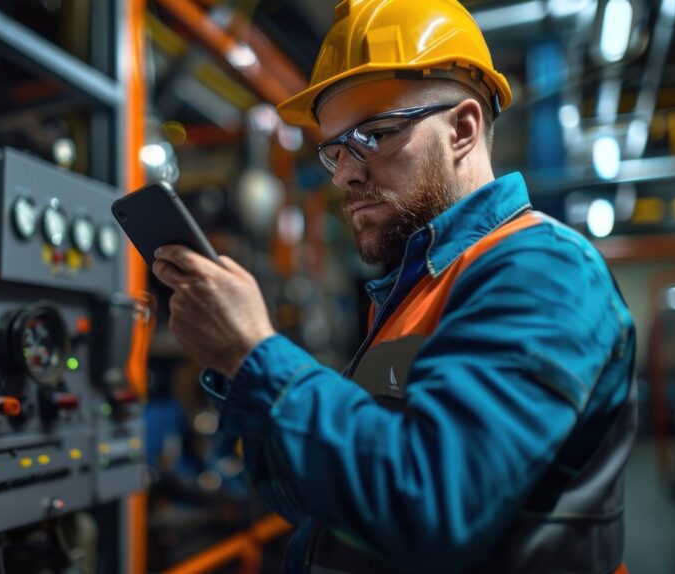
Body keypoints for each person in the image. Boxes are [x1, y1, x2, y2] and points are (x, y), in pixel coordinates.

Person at [151, 0, 636, 572]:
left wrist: (254, 354)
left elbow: (430, 505)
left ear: (462, 128)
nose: (345, 174)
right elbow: (314, 498)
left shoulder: (543, 271)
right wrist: (237, 369)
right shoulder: (419, 286)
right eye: (334, 150)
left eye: (374, 135)